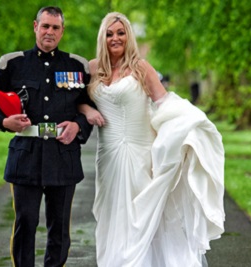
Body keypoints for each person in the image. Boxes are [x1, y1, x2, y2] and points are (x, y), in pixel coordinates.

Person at [78, 12, 225, 266]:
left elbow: (163, 102)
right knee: (111, 214)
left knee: (140, 215)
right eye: (110, 33)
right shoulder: (92, 69)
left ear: (129, 36)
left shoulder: (140, 68)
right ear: (102, 37)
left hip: (140, 152)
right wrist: (88, 109)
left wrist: (188, 124)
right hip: (108, 157)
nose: (115, 38)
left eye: (121, 33)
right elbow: (73, 101)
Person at [0, 6, 93, 267]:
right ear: (35, 26)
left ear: (62, 32)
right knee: (25, 223)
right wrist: (4, 121)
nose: (50, 32)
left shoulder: (78, 66)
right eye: (45, 26)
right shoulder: (12, 64)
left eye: (55, 27)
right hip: (26, 155)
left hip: (63, 156)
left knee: (59, 228)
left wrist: (79, 126)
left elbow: (90, 107)